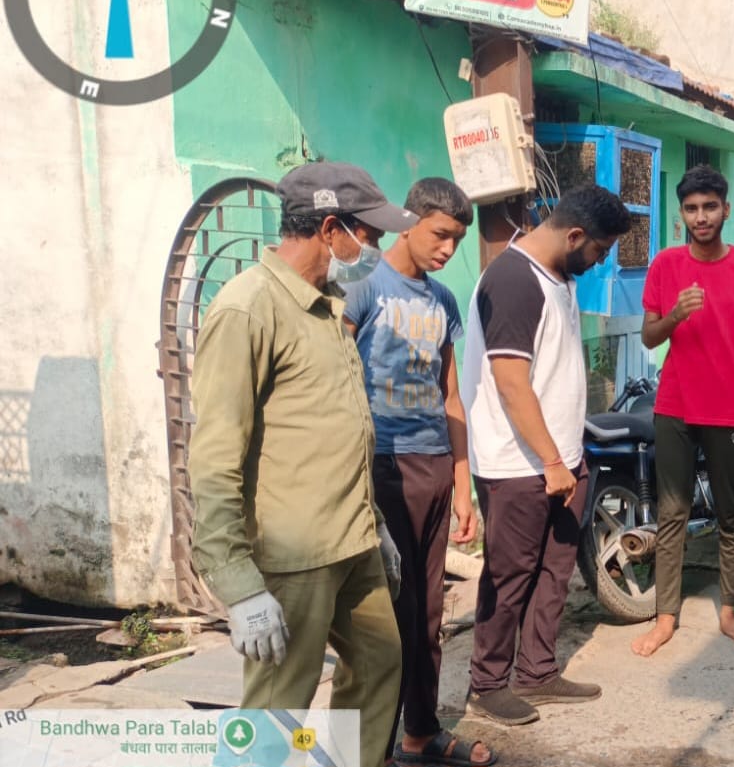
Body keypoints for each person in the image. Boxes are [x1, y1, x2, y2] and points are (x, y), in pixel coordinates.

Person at [188, 161, 417, 767]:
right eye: (369, 235)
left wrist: (377, 526)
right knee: (276, 710)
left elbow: (336, 429)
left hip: (352, 541)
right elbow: (214, 457)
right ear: (330, 229)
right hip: (293, 558)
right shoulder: (248, 309)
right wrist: (239, 586)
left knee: (379, 665)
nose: (376, 249)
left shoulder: (327, 305)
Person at [461, 186, 631, 724]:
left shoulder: (560, 278)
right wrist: (552, 462)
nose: (600, 262)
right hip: (518, 465)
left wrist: (567, 459)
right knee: (510, 576)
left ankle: (536, 672)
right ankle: (487, 684)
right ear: (574, 235)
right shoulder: (515, 279)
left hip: (561, 459)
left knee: (554, 572)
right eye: (600, 250)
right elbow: (511, 383)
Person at [342, 178, 493, 767]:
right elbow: (336, 381)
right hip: (382, 466)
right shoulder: (362, 287)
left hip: (433, 464)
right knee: (388, 619)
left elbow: (451, 396)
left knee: (429, 615)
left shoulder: (443, 301)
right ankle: (368, 749)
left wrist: (463, 486)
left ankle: (420, 734)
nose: (448, 249)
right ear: (409, 223)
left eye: (457, 239)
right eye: (440, 235)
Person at [632, 165, 734, 657]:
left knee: (730, 515)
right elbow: (650, 336)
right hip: (676, 405)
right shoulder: (665, 265)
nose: (700, 217)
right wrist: (675, 315)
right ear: (681, 214)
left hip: (730, 409)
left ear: (726, 209)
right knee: (672, 512)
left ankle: (728, 611)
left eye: (709, 207)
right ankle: (665, 617)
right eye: (691, 209)